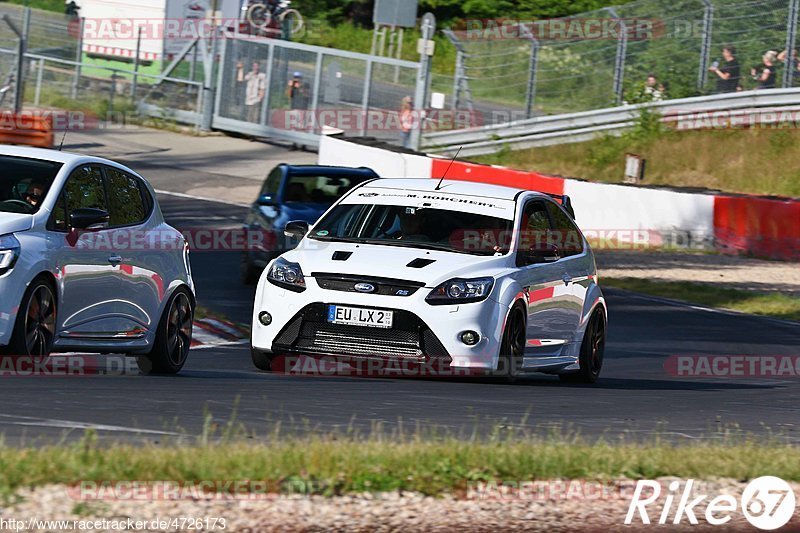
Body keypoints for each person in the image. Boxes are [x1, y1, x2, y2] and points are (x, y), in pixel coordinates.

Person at [286, 71, 310, 150]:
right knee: (293, 126)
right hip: (294, 107)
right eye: (295, 77)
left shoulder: (305, 85)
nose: (296, 79)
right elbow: (288, 95)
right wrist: (290, 86)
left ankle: (303, 144)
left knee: (302, 127)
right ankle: (294, 143)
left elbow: (307, 95)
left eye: (298, 78)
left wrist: (299, 87)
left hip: (302, 107)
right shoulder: (292, 86)